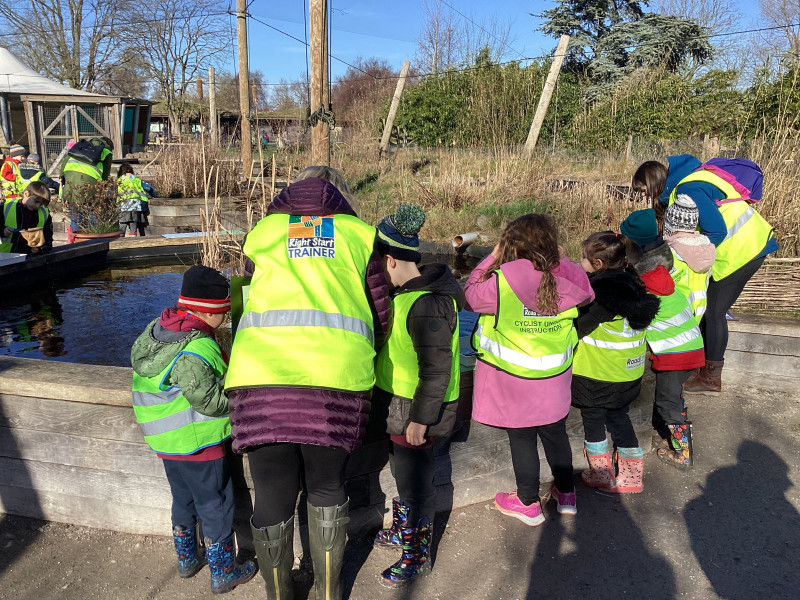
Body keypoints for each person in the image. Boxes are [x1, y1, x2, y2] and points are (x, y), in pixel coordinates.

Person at [224, 166, 391, 600]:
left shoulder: (264, 233)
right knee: (328, 485)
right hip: (336, 380)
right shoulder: (360, 236)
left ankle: (279, 595)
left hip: (260, 378)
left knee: (271, 490)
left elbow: (249, 294)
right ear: (341, 195)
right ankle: (329, 592)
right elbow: (381, 313)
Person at [130, 265, 256, 595]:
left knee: (182, 500)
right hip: (198, 443)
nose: (225, 319)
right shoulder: (196, 348)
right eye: (223, 313)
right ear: (209, 311)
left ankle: (187, 560)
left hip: (165, 439)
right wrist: (242, 394)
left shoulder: (159, 328)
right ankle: (223, 572)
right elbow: (211, 402)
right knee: (216, 504)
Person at [464, 214, 594, 526]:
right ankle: (567, 496)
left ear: (510, 246)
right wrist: (562, 260)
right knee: (556, 436)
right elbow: (587, 290)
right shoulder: (565, 282)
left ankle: (527, 502)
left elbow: (469, 294)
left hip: (514, 383)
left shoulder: (501, 282)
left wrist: (492, 257)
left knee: (522, 440)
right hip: (554, 381)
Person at [372, 204, 464, 587]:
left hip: (416, 413)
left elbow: (436, 368)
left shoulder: (425, 304)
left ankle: (417, 554)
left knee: (416, 485)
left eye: (377, 266)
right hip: (401, 408)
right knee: (402, 474)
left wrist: (421, 419)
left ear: (390, 260)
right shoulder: (408, 295)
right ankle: (404, 529)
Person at [632, 155, 778, 393]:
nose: (643, 195)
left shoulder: (688, 189)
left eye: (643, 190)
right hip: (744, 245)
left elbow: (717, 230)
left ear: (652, 182)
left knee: (714, 311)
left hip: (745, 249)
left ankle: (710, 378)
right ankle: (697, 367)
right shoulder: (686, 183)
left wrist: (692, 254)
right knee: (711, 307)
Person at [572, 231, 660, 493]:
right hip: (628, 374)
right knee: (620, 418)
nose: (580, 262)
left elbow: (577, 329)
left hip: (596, 374)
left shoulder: (602, 297)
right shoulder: (634, 287)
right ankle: (632, 476)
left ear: (598, 264)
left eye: (584, 258)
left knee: (593, 418)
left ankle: (600, 473)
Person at [622, 210, 705, 469]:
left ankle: (683, 454)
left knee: (667, 402)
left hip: (675, 354)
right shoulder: (665, 281)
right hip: (693, 347)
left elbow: (636, 321)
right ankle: (675, 428)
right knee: (673, 396)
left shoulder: (646, 292)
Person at [663, 195, 715, 320]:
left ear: (670, 224)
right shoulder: (705, 249)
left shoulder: (673, 253)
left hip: (677, 314)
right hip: (698, 310)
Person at [61, 137, 113, 241]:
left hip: (70, 188)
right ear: (109, 146)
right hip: (90, 189)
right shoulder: (106, 152)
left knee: (76, 220)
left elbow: (63, 167)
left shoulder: (79, 146)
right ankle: (92, 243)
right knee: (93, 218)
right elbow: (105, 177)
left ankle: (77, 244)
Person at [0, 181, 53, 255]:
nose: (38, 206)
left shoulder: (44, 213)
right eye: (36, 202)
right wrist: (2, 231)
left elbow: (47, 236)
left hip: (30, 257)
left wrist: (41, 248)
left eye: (41, 204)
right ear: (26, 194)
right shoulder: (5, 207)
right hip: (6, 256)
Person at [116, 162, 151, 237]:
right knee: (133, 223)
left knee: (122, 224)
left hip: (123, 206)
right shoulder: (137, 179)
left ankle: (120, 239)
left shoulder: (119, 181)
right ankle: (132, 238)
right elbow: (148, 188)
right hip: (136, 206)